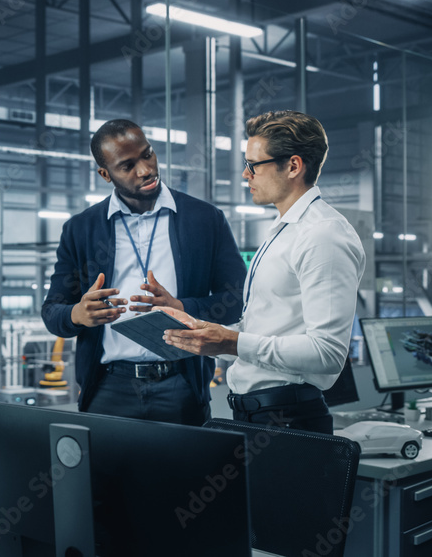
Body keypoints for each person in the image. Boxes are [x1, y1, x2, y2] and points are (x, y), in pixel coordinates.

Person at [160, 110, 365, 434]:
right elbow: (267, 325)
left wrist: (233, 343)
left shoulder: (322, 235)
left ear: (293, 166)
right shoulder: (284, 230)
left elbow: (327, 353)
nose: (245, 174)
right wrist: (208, 333)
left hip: (288, 417)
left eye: (254, 165)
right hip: (258, 415)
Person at [41, 119, 247, 426]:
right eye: (127, 166)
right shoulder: (81, 229)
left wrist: (184, 307)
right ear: (105, 174)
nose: (145, 170)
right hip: (108, 388)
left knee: (183, 475)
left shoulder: (204, 220)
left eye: (147, 155)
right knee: (110, 475)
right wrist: (77, 315)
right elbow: (52, 312)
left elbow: (238, 298)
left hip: (182, 385)